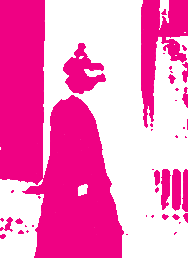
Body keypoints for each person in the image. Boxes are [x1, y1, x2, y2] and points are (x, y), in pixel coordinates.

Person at [38, 46, 122, 258]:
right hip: (79, 187)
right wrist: (81, 183)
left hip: (85, 184)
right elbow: (63, 152)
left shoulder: (79, 107)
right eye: (91, 76)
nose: (97, 81)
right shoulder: (67, 108)